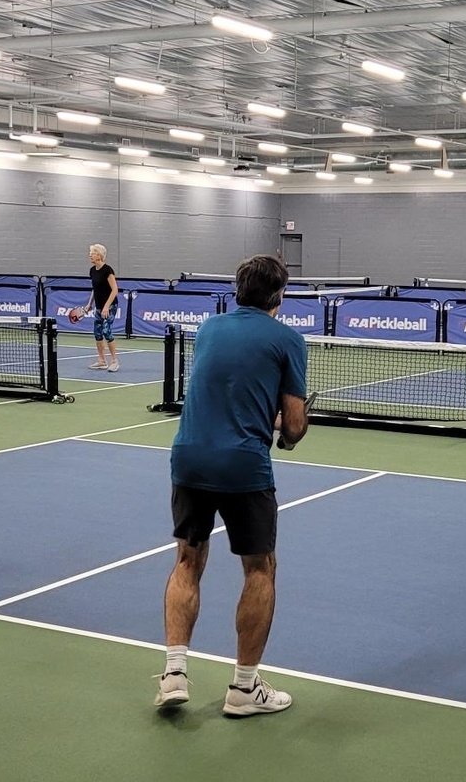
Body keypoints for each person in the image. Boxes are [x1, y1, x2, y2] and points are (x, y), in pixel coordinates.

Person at [156, 254, 310, 717]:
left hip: (189, 458)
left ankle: (174, 675)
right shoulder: (288, 339)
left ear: (237, 290)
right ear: (279, 296)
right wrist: (286, 427)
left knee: (188, 559)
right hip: (244, 466)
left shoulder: (208, 328)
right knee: (260, 568)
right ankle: (244, 689)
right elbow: (294, 429)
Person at [83, 243, 120, 372]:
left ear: (99, 255)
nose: (90, 255)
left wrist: (106, 307)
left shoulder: (107, 270)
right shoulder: (92, 270)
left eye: (92, 253)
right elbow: (95, 289)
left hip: (110, 306)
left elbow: (115, 290)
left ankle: (115, 361)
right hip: (98, 306)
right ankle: (102, 361)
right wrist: (89, 304)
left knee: (106, 330)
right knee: (97, 332)